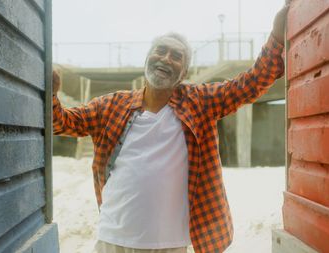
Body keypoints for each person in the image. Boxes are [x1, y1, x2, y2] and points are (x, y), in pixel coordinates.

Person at [52, 5, 288, 253]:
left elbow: (249, 84)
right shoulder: (111, 105)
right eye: (160, 51)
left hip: (170, 245)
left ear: (184, 72)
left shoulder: (198, 102)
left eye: (176, 56)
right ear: (147, 60)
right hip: (113, 240)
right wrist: (52, 96)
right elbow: (63, 122)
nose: (166, 58)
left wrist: (275, 37)